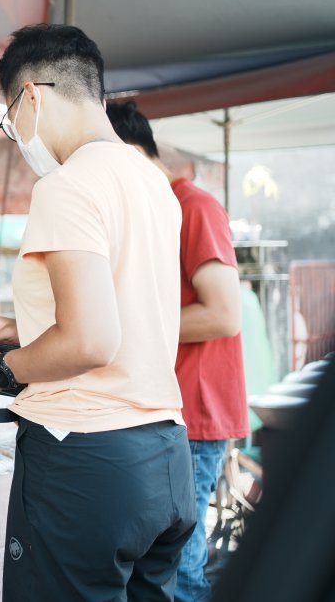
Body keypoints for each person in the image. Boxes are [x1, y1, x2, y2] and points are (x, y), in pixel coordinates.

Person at [0, 24, 196, 600]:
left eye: (10, 121)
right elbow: (127, 307)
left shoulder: (68, 186)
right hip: (164, 453)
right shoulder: (152, 183)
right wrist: (24, 327)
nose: (16, 137)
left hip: (87, 457)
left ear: (31, 95)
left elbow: (89, 341)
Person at [108, 101, 247, 602]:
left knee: (180, 570)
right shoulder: (149, 213)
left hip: (195, 414)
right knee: (157, 567)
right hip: (162, 412)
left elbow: (223, 314)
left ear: (127, 153)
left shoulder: (195, 208)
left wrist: (126, 325)